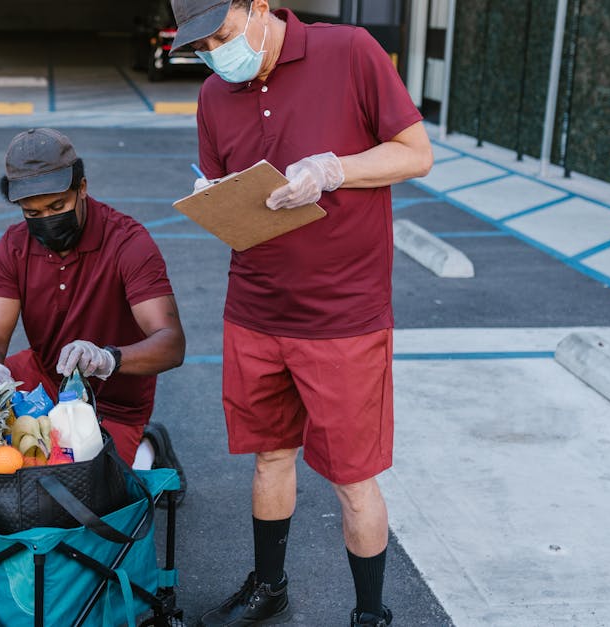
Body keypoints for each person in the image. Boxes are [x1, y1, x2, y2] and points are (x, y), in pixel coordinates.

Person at [169, 1, 433, 625]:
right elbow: (225, 188)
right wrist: (216, 200)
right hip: (256, 307)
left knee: (353, 478)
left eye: (222, 37)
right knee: (270, 455)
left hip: (344, 316)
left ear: (258, 7)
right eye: (200, 48)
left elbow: (415, 152)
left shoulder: (350, 52)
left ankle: (371, 613)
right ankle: (269, 585)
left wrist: (334, 168)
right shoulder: (214, 94)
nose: (214, 56)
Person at [0, 128, 188, 496]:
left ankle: (149, 447)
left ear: (82, 187)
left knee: (87, 493)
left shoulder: (129, 243)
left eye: (57, 207)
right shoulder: (13, 247)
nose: (46, 220)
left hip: (114, 399)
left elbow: (171, 343)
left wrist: (107, 358)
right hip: (45, 375)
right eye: (32, 213)